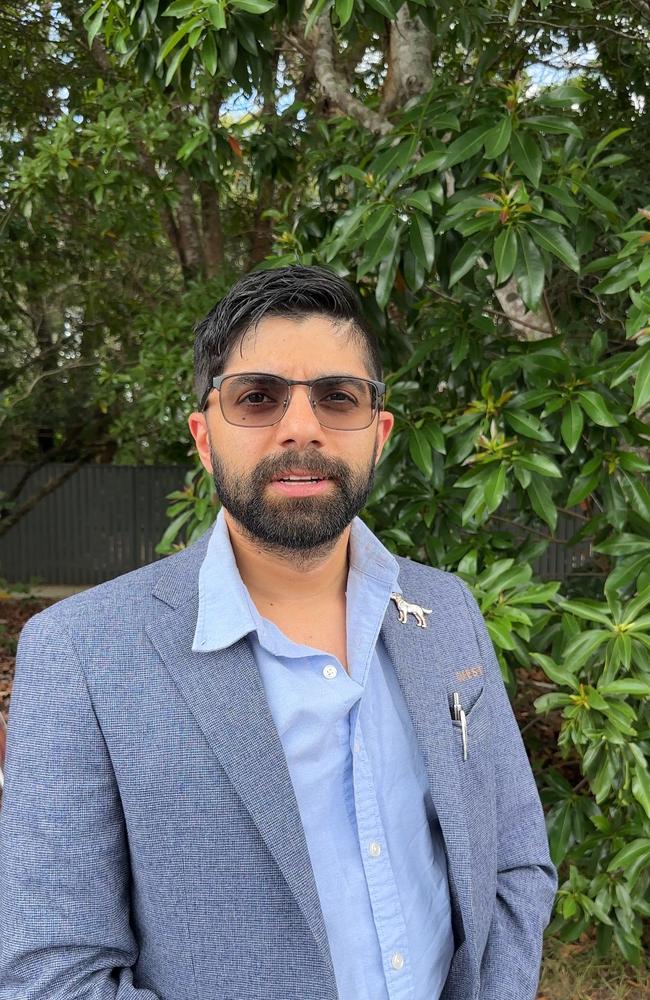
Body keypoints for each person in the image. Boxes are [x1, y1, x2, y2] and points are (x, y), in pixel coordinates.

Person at [0, 265, 557, 1000]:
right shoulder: (80, 653)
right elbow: (53, 975)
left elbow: (515, 862)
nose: (302, 426)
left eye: (338, 397)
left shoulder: (446, 611)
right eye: (257, 398)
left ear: (378, 433)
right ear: (204, 437)